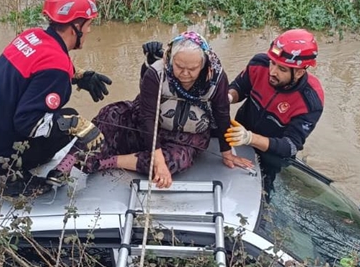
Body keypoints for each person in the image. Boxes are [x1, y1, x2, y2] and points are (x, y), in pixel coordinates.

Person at [0, 0, 113, 196]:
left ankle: (22, 159)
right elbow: (27, 123)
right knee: (69, 119)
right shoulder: (56, 67)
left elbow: (37, 67)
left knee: (60, 120)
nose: (89, 29)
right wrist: (78, 126)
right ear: (76, 26)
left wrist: (78, 76)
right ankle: (11, 180)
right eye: (88, 24)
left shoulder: (31, 37)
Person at [84, 31, 253, 188]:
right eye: (179, 66)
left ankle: (109, 162)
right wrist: (158, 162)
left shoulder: (217, 78)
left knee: (177, 160)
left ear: (203, 64)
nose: (185, 73)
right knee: (109, 115)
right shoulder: (156, 73)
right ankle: (84, 156)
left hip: (186, 139)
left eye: (192, 69)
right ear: (171, 60)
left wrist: (227, 153)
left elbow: (222, 114)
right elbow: (147, 117)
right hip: (150, 128)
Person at [224, 29, 324, 187]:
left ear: (299, 72)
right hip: (239, 136)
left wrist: (251, 138)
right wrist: (227, 97)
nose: (272, 72)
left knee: (264, 189)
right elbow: (239, 87)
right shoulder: (259, 64)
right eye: (272, 63)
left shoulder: (310, 102)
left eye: (282, 69)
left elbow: (290, 146)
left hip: (272, 153)